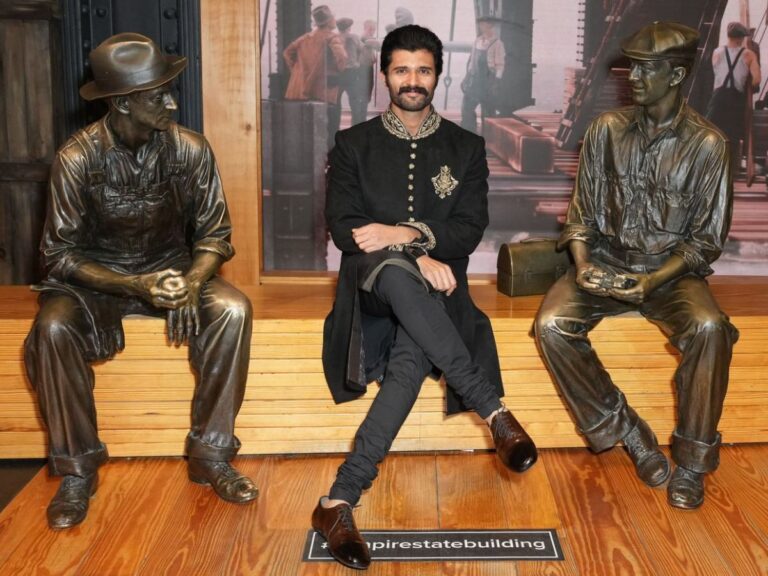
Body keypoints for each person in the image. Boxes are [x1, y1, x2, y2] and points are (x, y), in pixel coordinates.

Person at [312, 25, 537, 570]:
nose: (412, 81)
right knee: (392, 273)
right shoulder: (353, 143)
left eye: (423, 70)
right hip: (370, 294)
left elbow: (468, 229)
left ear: (438, 74)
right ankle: (494, 409)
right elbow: (348, 231)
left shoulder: (465, 148)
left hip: (439, 296)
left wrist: (405, 235)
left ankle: (339, 500)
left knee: (413, 357)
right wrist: (411, 248)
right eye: (401, 70)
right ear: (383, 74)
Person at [24, 33, 257, 530]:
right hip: (95, 279)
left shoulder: (190, 149)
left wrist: (193, 280)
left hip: (175, 270)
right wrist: (135, 286)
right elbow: (58, 257)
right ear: (123, 104)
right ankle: (77, 469)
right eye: (157, 95)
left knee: (234, 310)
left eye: (169, 90)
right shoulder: (76, 158)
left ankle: (210, 455)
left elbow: (216, 234)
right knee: (52, 330)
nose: (171, 102)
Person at [534, 22, 738, 511]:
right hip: (604, 262)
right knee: (552, 324)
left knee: (710, 328)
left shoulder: (708, 145)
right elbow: (581, 217)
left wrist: (652, 280)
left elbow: (705, 242)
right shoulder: (605, 130)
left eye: (647, 69)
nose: (634, 77)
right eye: (632, 67)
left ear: (677, 75)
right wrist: (582, 267)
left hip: (671, 273)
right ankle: (627, 430)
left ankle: (692, 461)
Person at [283, 5, 347, 145]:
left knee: (306, 129)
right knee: (329, 128)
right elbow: (342, 58)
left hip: (301, 91)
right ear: (329, 21)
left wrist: (297, 71)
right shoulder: (331, 38)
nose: (335, 20)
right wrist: (338, 70)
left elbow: (287, 53)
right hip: (323, 91)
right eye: (333, 18)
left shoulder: (305, 38)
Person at [705, 21, 760, 168]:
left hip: (717, 98)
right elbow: (756, 80)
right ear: (740, 38)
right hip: (735, 99)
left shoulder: (717, 52)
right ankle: (730, 168)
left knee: (711, 131)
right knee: (733, 135)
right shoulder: (749, 54)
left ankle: (710, 166)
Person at [461, 16, 506, 133]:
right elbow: (471, 61)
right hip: (474, 80)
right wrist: (466, 77)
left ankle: (488, 140)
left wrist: (496, 82)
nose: (481, 27)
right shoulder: (477, 41)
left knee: (488, 112)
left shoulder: (497, 44)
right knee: (467, 108)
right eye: (480, 24)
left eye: (483, 24)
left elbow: (500, 65)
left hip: (488, 82)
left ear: (490, 25)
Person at [336, 17, 368, 126]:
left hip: (338, 72)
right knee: (354, 102)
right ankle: (356, 126)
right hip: (352, 73)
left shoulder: (335, 38)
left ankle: (335, 126)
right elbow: (363, 49)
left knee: (336, 101)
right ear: (349, 27)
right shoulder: (354, 37)